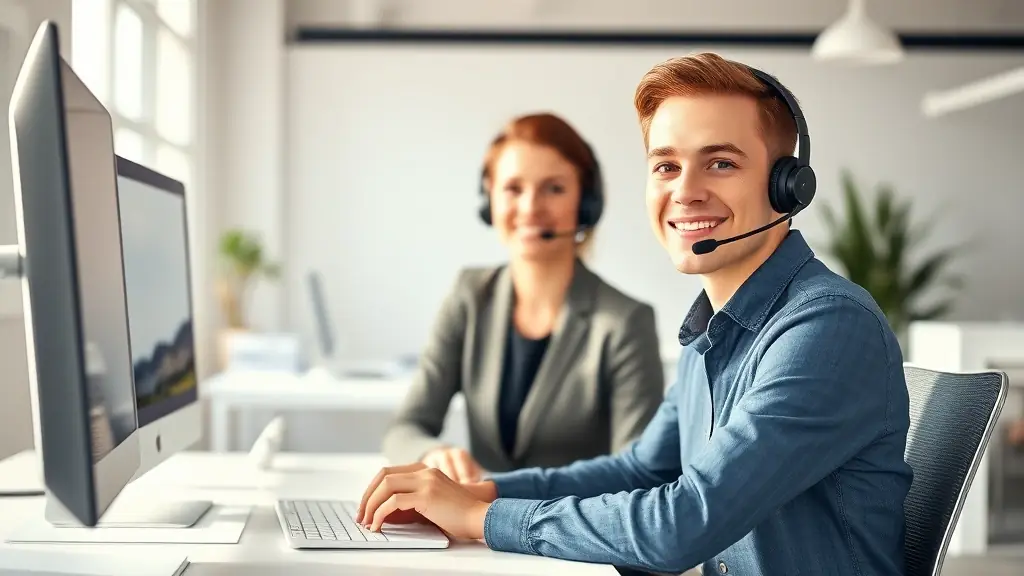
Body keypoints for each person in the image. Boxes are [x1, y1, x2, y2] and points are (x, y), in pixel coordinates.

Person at [356, 53, 913, 576]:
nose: (686, 192)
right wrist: (487, 492)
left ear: (787, 186)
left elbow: (682, 525)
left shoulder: (827, 326)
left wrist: (481, 521)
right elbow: (641, 470)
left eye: (720, 163)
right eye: (666, 166)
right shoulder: (711, 331)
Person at [380, 112, 665, 484]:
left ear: (585, 204)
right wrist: (432, 454)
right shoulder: (469, 296)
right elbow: (406, 427)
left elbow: (638, 474)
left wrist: (502, 495)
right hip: (476, 533)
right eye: (513, 189)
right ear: (489, 200)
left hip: (568, 533)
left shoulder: (625, 322)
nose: (531, 208)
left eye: (554, 188)